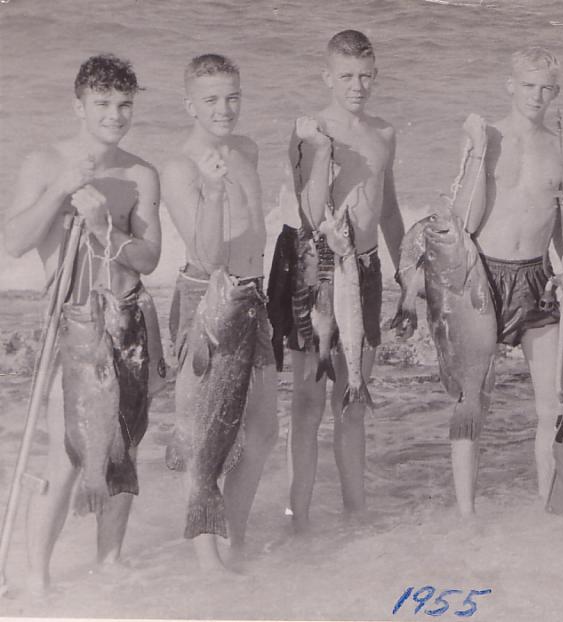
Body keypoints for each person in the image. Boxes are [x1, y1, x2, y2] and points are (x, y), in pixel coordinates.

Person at [4, 54, 162, 594]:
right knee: (68, 454)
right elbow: (14, 242)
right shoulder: (45, 161)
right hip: (70, 327)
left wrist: (103, 228)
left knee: (123, 448)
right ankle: (36, 579)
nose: (115, 115)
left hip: (127, 324)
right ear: (78, 106)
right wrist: (59, 190)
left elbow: (149, 259)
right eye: (103, 104)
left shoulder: (142, 173)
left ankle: (110, 564)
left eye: (124, 104)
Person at [274, 29, 404, 533]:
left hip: (365, 270)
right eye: (347, 76)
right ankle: (296, 518)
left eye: (366, 76)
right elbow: (308, 214)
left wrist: (405, 274)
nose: (358, 86)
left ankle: (356, 513)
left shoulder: (386, 132)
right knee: (307, 403)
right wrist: (319, 149)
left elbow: (388, 208)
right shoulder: (308, 130)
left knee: (354, 398)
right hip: (319, 270)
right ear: (327, 76)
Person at [450, 47, 563, 509]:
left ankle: (550, 507)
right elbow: (461, 220)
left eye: (546, 88)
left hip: (537, 278)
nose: (537, 95)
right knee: (472, 404)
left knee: (553, 405)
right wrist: (478, 149)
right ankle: (467, 516)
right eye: (528, 85)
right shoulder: (488, 138)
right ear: (510, 86)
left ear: (557, 92)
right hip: (483, 276)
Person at [161, 54, 278, 570]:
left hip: (253, 297)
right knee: (200, 431)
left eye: (232, 96)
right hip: (207, 299)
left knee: (262, 432)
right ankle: (207, 562)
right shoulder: (180, 166)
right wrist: (210, 192)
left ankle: (234, 539)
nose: (224, 108)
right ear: (190, 104)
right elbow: (207, 257)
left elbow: (256, 232)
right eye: (210, 99)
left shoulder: (248, 148)